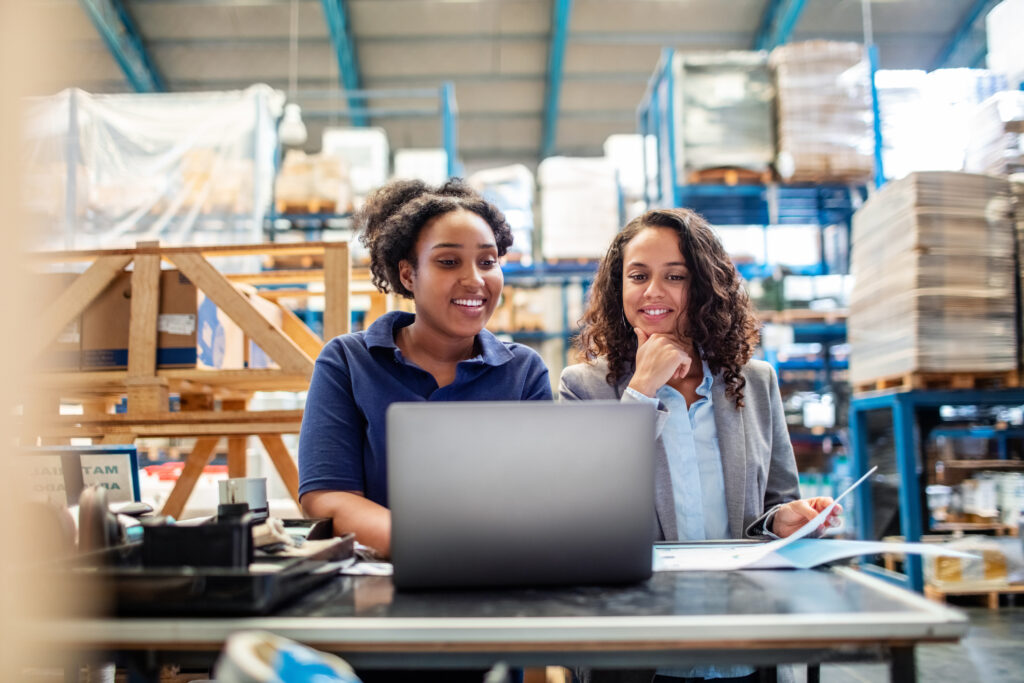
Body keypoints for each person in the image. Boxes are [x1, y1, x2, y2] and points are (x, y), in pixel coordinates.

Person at [560, 208, 840, 683]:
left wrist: (783, 519)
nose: (653, 291)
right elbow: (582, 512)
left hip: (745, 648)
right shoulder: (585, 387)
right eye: (638, 275)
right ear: (618, 289)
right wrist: (642, 390)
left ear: (705, 287)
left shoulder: (754, 382)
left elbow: (775, 501)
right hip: (637, 656)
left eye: (676, 276)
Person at [299, 178, 552, 560]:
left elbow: (541, 499)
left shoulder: (523, 372)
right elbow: (327, 497)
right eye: (448, 262)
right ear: (407, 274)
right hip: (383, 583)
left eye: (488, 261)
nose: (475, 279)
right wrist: (429, 548)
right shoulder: (348, 363)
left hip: (498, 577)